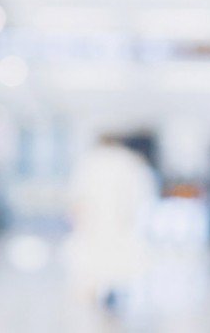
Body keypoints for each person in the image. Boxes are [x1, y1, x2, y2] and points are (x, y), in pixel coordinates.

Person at [63, 133, 158, 316]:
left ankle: (98, 294)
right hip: (120, 221)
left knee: (94, 260)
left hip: (94, 222)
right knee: (117, 260)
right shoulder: (129, 162)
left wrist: (77, 218)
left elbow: (76, 195)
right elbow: (142, 193)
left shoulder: (88, 162)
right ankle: (114, 292)